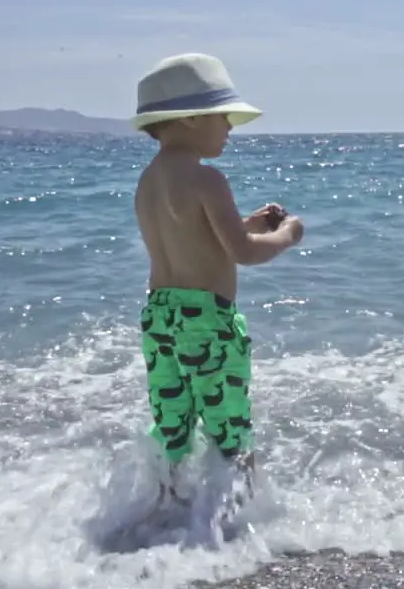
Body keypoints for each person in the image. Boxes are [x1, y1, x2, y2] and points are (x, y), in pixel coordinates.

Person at [129, 52, 305, 511]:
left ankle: (163, 507)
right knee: (229, 424)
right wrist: (286, 236)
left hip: (160, 317)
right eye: (222, 115)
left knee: (173, 422)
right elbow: (242, 253)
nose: (229, 125)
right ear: (189, 118)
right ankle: (244, 516)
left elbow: (198, 238)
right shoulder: (208, 179)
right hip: (207, 320)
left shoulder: (148, 182)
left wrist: (247, 221)